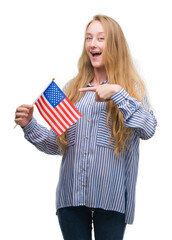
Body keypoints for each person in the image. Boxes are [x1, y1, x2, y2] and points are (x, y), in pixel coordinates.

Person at [15, 15, 157, 240]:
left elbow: (148, 129)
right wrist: (29, 125)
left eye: (101, 38)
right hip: (71, 200)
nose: (93, 44)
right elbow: (57, 144)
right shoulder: (71, 89)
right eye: (89, 38)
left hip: (110, 201)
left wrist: (116, 93)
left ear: (114, 45)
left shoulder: (131, 89)